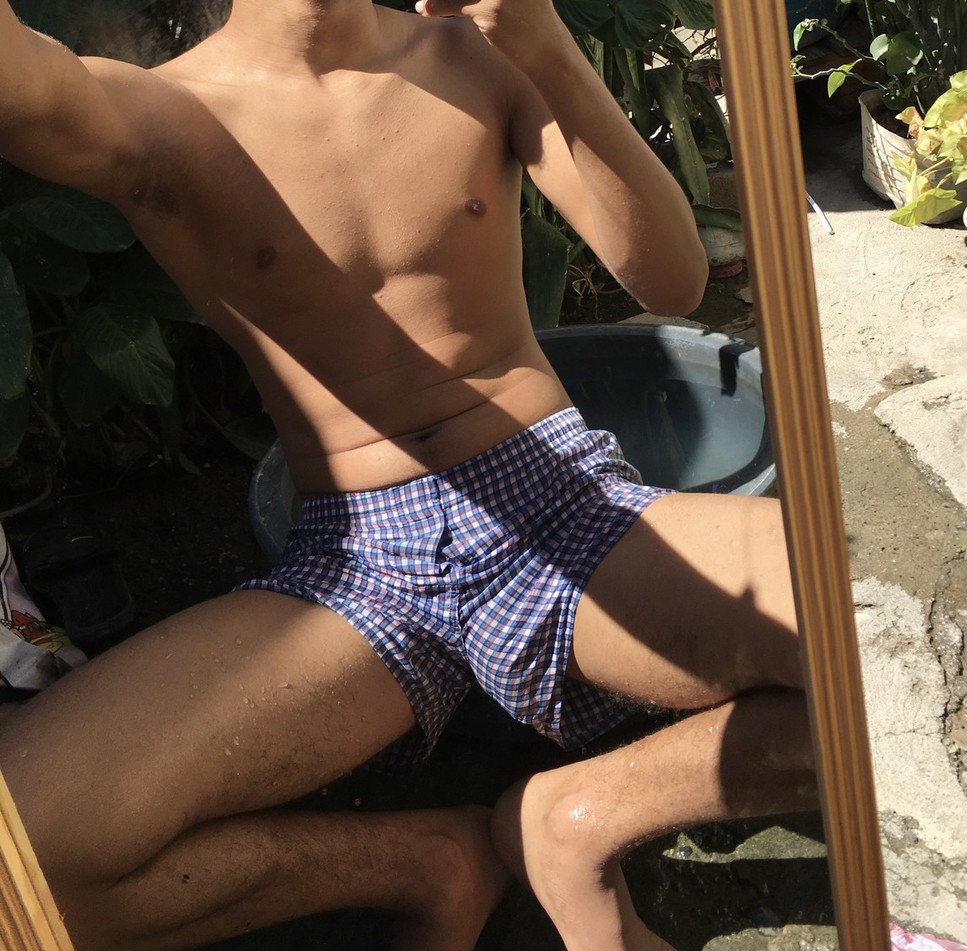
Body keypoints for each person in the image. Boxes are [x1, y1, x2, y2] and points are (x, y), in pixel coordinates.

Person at [0, 1, 817, 949]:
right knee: (21, 861)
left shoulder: (478, 56)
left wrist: (543, 42)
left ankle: (577, 819)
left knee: (861, 615)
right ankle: (428, 864)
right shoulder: (159, 117)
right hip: (354, 567)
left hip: (564, 499)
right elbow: (24, 87)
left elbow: (672, 281)